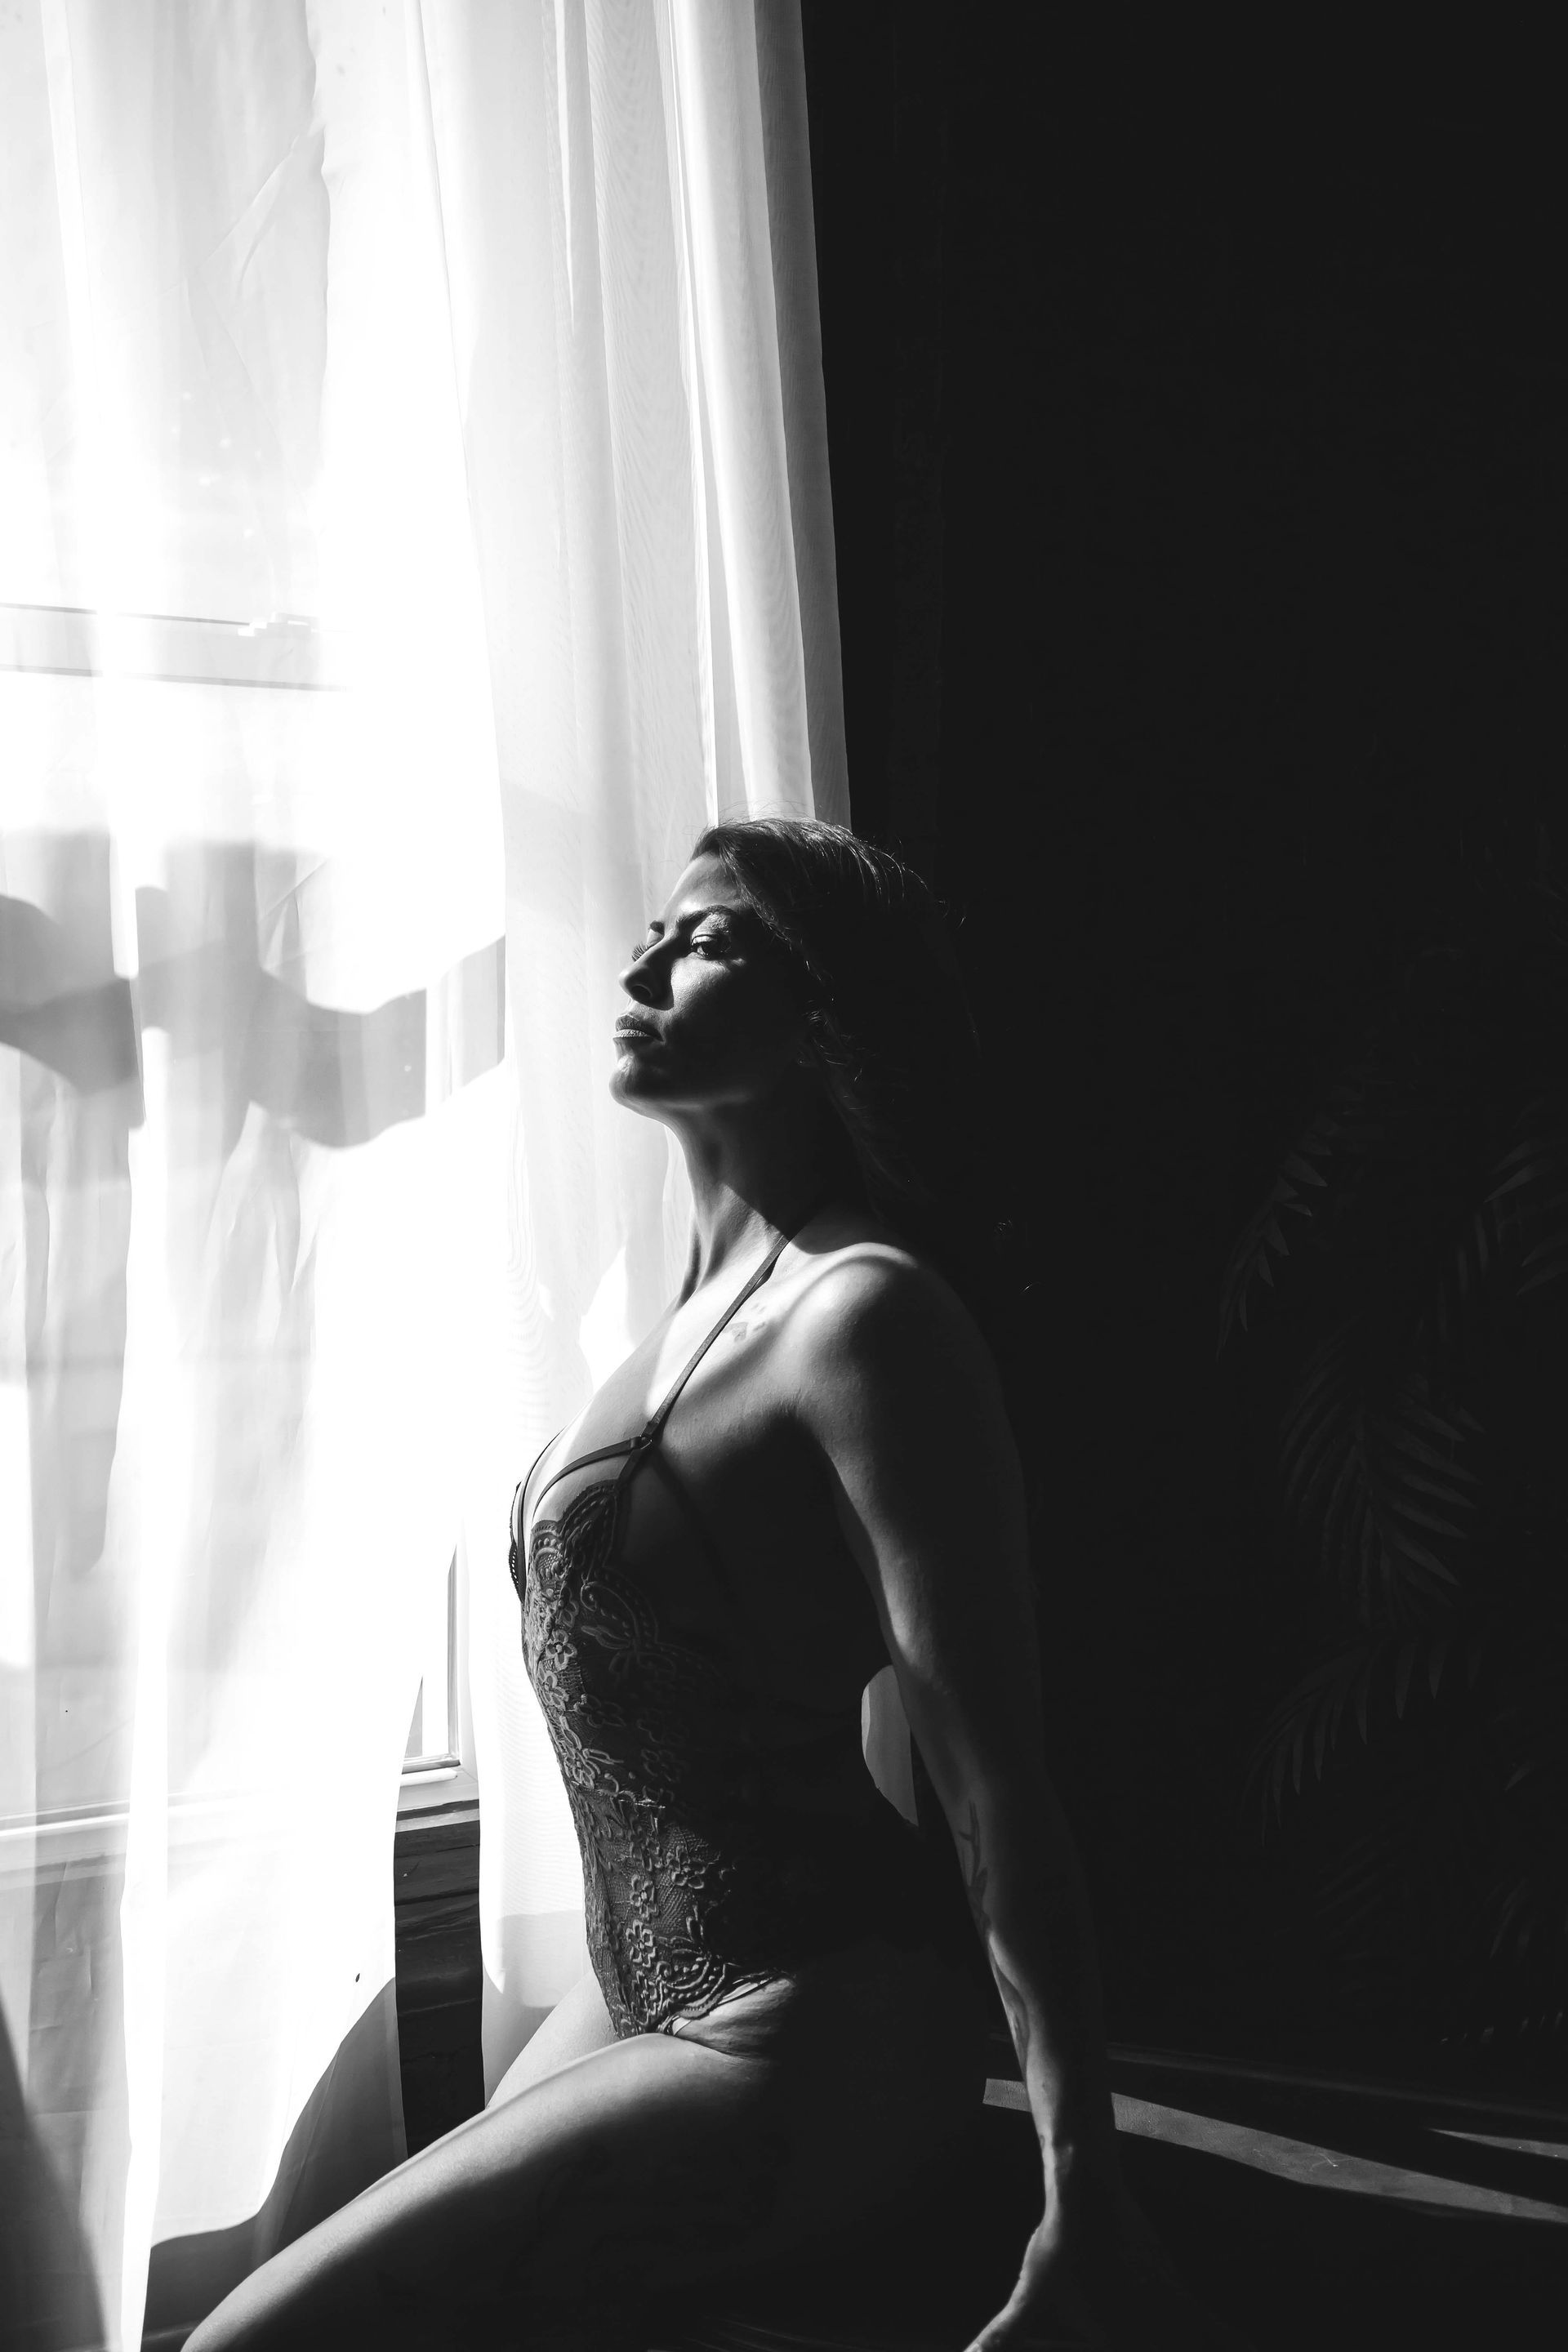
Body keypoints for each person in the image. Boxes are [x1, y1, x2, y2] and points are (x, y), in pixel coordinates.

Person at [189, 819, 1233, 2350]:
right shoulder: (669, 1327)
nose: (643, 964)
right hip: (638, 2002)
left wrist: (1085, 2188)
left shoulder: (863, 1318)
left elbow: (996, 1779)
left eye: (711, 938)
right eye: (654, 934)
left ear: (829, 1014)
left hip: (818, 2030)